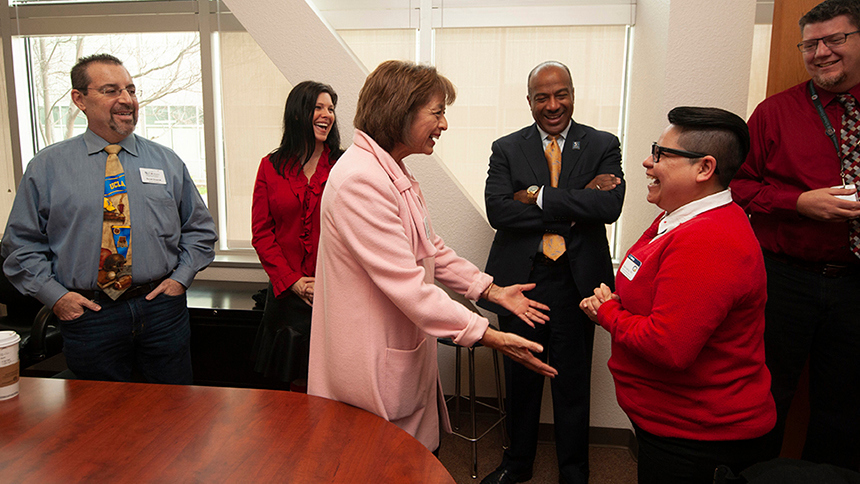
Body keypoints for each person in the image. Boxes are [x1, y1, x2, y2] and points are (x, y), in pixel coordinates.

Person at [307, 60, 558, 453]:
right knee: (382, 464)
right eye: (437, 113)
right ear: (400, 111)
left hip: (398, 354)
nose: (444, 125)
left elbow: (432, 249)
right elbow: (411, 288)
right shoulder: (360, 181)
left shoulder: (392, 172)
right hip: (369, 366)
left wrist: (491, 291)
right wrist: (488, 335)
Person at [580, 106, 776, 484]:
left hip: (699, 437)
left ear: (704, 169)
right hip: (674, 423)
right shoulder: (676, 216)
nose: (647, 162)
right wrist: (621, 303)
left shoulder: (709, 240)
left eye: (660, 154)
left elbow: (668, 347)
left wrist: (608, 313)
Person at [1, 53, 217, 384]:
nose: (126, 100)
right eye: (111, 90)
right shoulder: (47, 168)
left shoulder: (166, 162)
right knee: (100, 421)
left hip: (160, 310)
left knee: (174, 415)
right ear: (79, 99)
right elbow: (20, 246)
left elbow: (199, 230)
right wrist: (56, 297)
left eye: (130, 89)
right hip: (90, 315)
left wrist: (181, 278)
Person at [478, 61, 624, 484]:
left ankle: (574, 472)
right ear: (529, 102)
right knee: (520, 376)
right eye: (542, 97)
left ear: (573, 95)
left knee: (573, 381)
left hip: (577, 283)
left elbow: (608, 207)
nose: (552, 104)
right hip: (520, 282)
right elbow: (498, 211)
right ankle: (516, 464)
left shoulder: (602, 144)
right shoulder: (506, 148)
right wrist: (574, 203)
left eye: (560, 94)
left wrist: (535, 197)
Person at [731, 0, 860, 470]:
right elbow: (738, 185)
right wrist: (798, 203)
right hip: (785, 279)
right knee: (768, 394)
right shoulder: (774, 113)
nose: (821, 52)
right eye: (810, 44)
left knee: (845, 405)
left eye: (835, 39)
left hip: (855, 284)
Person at [250, 81, 343, 392]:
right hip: (288, 295)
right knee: (297, 388)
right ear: (297, 113)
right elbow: (262, 234)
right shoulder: (270, 167)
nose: (327, 115)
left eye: (331, 108)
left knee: (338, 384)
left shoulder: (346, 165)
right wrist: (294, 281)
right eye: (318, 107)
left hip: (337, 292)